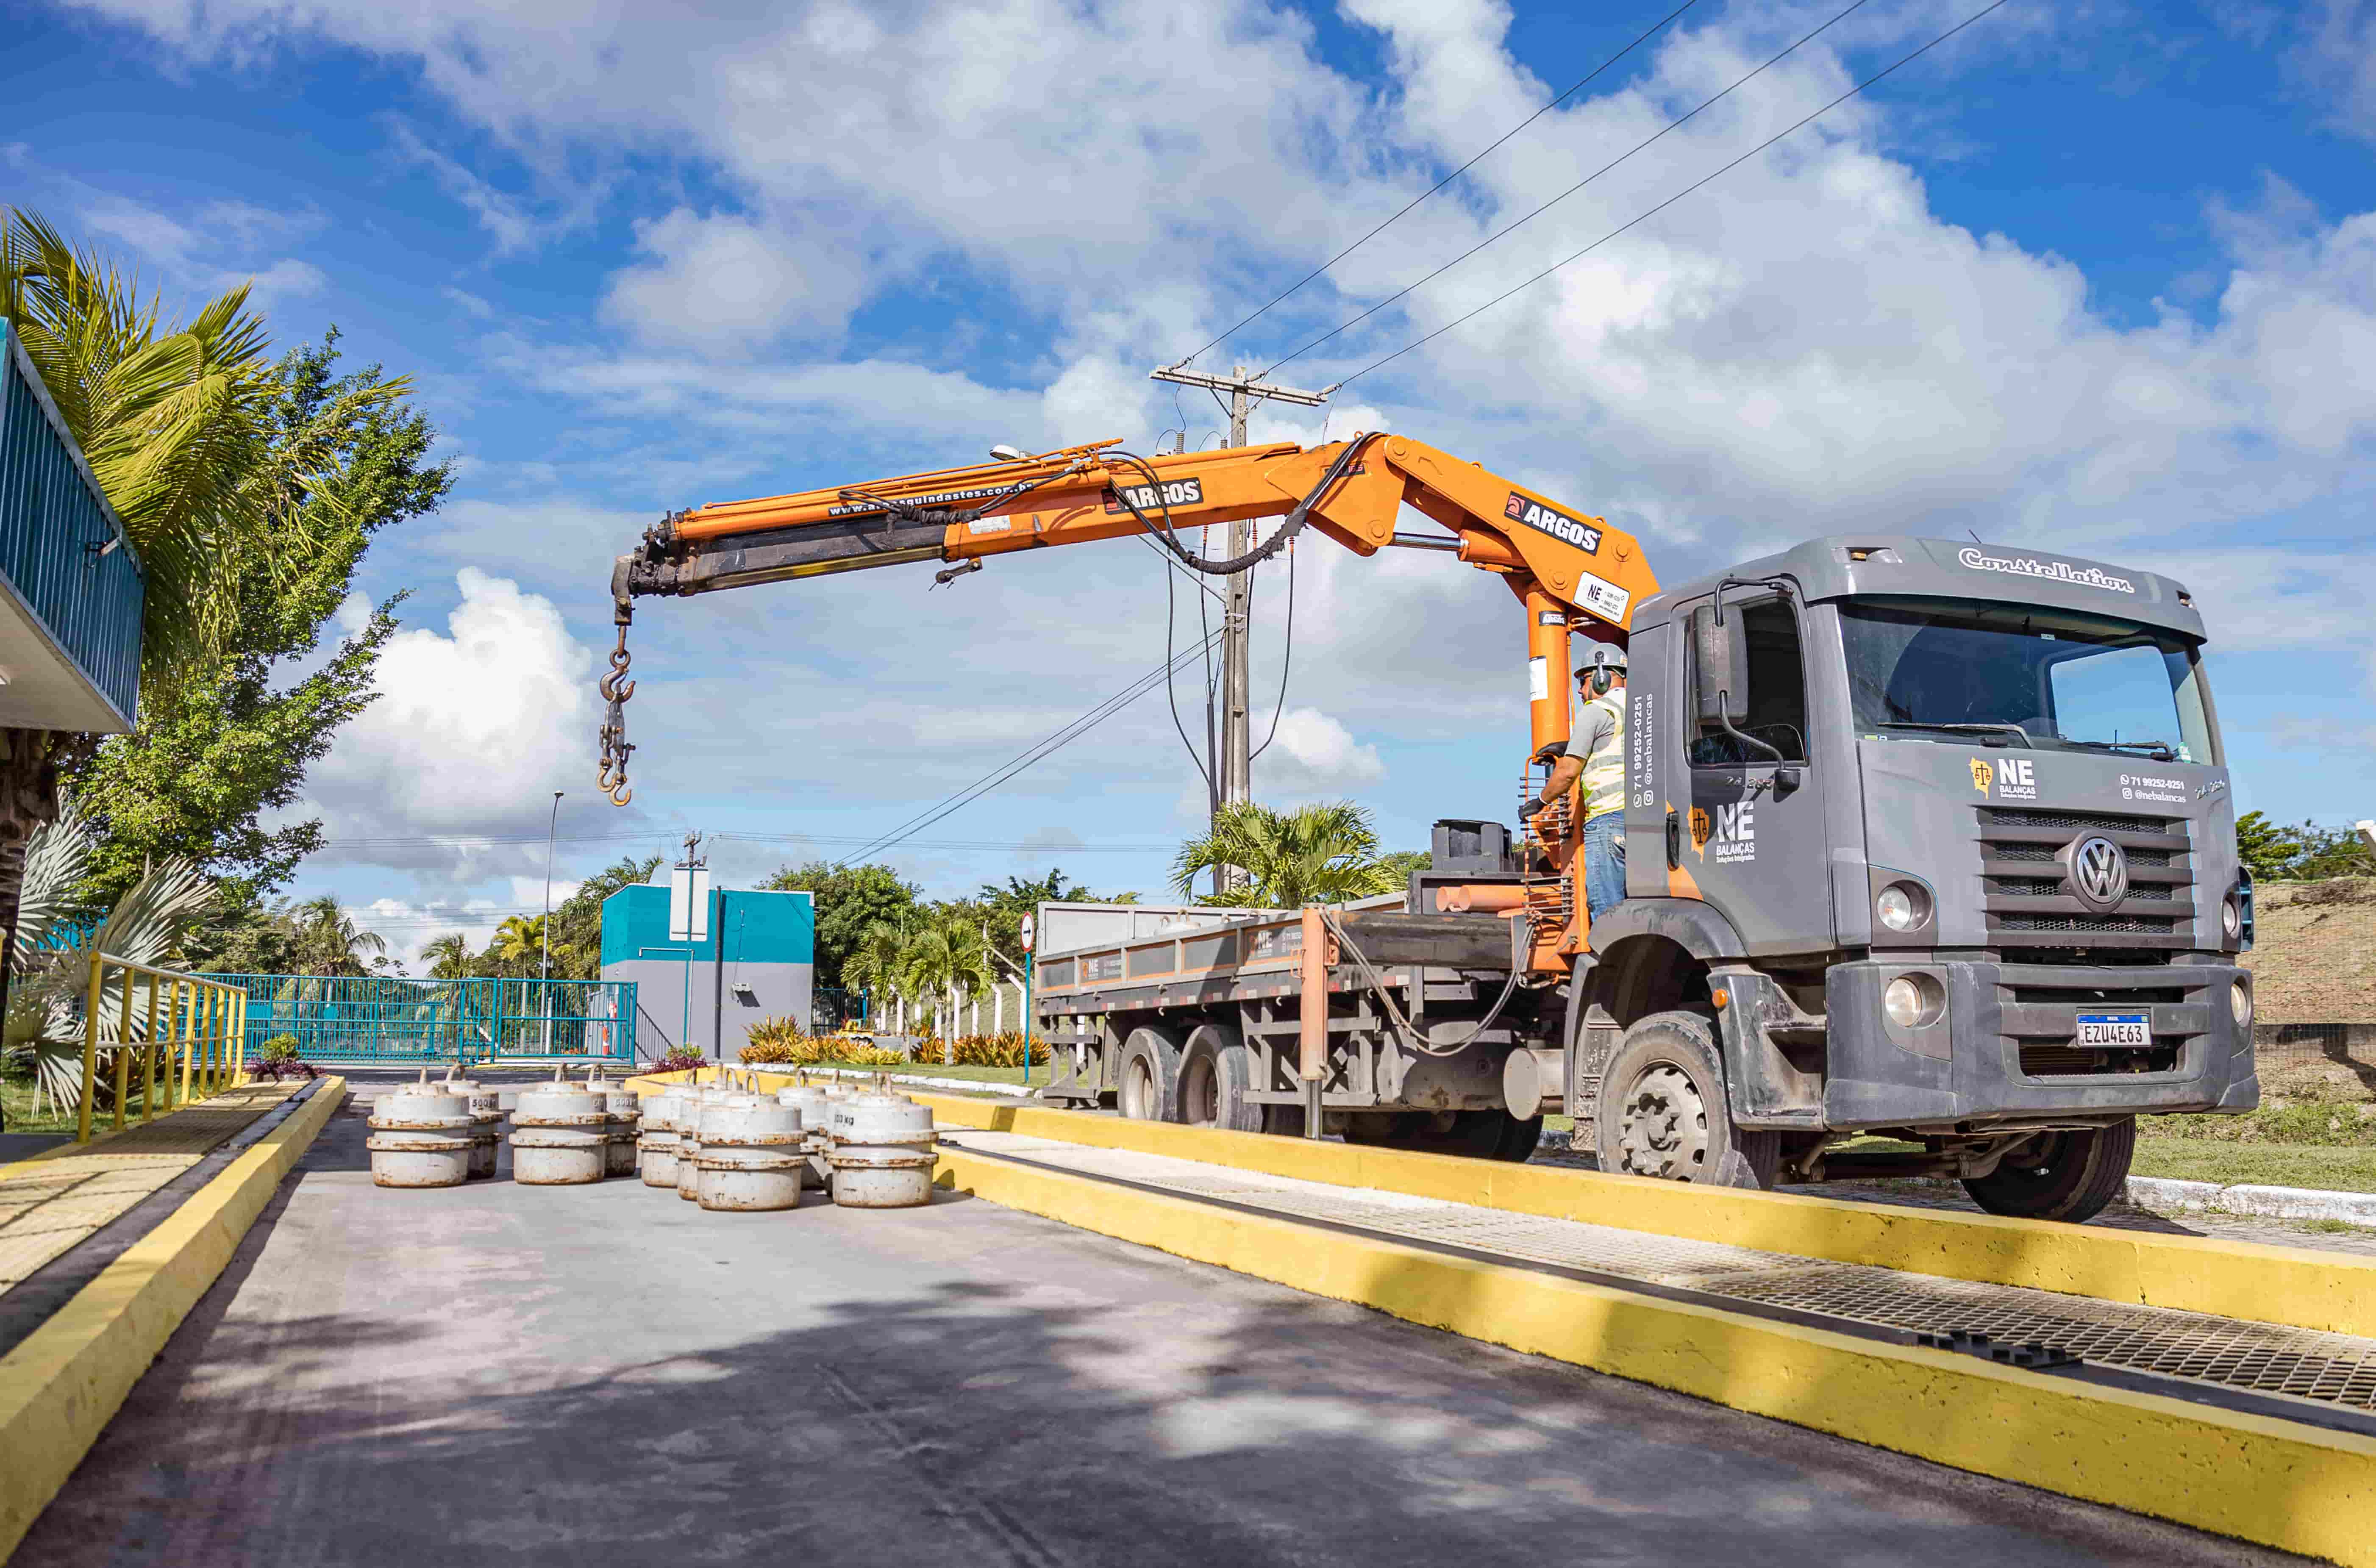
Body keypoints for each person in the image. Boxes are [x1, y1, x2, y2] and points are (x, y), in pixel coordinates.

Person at [1522, 644, 1628, 921]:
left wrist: (1540, 801)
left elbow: (1568, 771)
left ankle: (1611, 962)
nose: (1580, 691)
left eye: (1582, 682)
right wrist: (1571, 744)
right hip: (1645, 821)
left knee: (1606, 910)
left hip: (1608, 820)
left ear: (1601, 676)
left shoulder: (1597, 710)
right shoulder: (1645, 709)